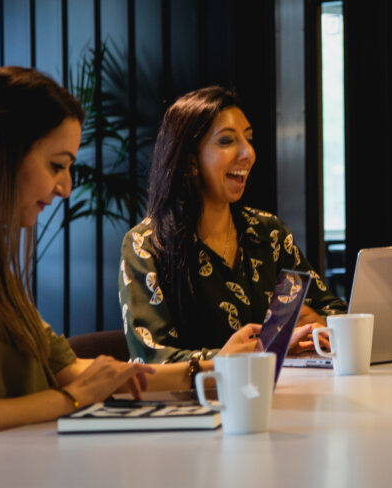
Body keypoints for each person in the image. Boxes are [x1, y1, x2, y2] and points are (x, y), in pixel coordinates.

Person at [0, 67, 228, 460]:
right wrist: (69, 400)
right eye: (57, 165)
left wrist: (211, 369)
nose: (67, 187)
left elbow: (72, 370)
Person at [121, 86, 346, 369]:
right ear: (191, 160)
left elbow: (333, 310)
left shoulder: (268, 233)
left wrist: (316, 323)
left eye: (249, 139)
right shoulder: (146, 244)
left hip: (278, 395)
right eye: (227, 141)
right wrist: (245, 354)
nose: (247, 153)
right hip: (196, 405)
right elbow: (151, 358)